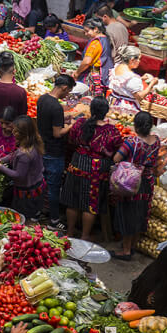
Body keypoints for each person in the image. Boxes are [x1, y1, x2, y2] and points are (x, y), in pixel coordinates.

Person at [62, 97, 121, 242]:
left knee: (73, 200)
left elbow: (71, 141)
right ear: (106, 112)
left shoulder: (80, 124)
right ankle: (85, 236)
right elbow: (117, 149)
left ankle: (69, 232)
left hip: (78, 162)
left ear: (91, 110)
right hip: (97, 168)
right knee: (90, 204)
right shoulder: (111, 131)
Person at [110, 111, 161, 260]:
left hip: (131, 183)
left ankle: (126, 251)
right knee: (141, 213)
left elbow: (116, 158)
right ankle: (132, 245)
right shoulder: (156, 140)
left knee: (128, 214)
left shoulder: (131, 142)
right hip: (147, 182)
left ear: (136, 125)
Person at [37, 74, 77, 228]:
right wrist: (70, 126)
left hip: (42, 148)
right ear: (64, 88)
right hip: (54, 152)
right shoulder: (56, 107)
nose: (67, 95)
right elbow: (57, 133)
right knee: (53, 187)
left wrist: (62, 121)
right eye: (68, 92)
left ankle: (37, 212)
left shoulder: (42, 99)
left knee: (41, 183)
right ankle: (54, 220)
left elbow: (47, 121)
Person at [0, 116, 46, 220]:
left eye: (16, 130)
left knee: (23, 217)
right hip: (36, 186)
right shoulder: (33, 143)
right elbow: (13, 155)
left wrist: (1, 168)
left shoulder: (25, 154)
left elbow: (19, 176)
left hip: (27, 195)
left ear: (23, 133)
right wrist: (3, 160)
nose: (13, 132)